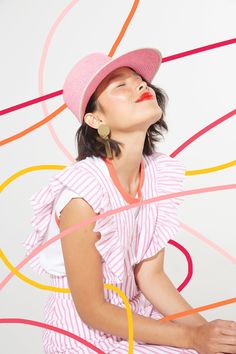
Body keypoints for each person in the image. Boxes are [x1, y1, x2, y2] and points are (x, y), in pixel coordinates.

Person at [22, 48, 236, 353]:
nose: (141, 86)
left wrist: (209, 335)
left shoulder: (155, 174)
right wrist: (192, 339)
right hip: (85, 336)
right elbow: (93, 310)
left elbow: (150, 275)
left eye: (139, 81)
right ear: (95, 118)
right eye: (120, 85)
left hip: (136, 321)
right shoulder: (82, 196)